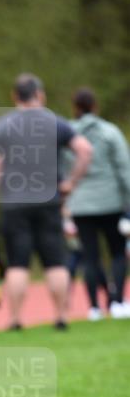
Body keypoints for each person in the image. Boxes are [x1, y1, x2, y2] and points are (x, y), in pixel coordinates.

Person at [0, 73, 92, 331]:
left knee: (18, 263)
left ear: (14, 96)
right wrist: (70, 184)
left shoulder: (3, 126)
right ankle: (61, 317)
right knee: (55, 261)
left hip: (13, 204)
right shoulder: (56, 123)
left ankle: (16, 319)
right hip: (50, 202)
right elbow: (85, 151)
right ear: (40, 95)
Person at [67, 87, 130, 320]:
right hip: (111, 202)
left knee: (90, 257)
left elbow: (63, 169)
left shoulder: (67, 134)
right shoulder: (110, 132)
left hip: (80, 204)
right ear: (95, 106)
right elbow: (124, 169)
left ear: (75, 107)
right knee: (117, 253)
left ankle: (94, 308)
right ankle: (118, 303)